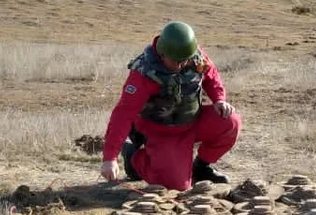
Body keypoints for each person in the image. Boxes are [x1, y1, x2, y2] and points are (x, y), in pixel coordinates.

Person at [100, 21, 241, 191]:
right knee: (176, 186)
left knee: (230, 121)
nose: (180, 65)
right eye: (175, 61)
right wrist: (110, 158)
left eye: (184, 60)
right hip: (161, 132)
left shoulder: (193, 54)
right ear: (162, 53)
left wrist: (219, 99)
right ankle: (134, 158)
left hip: (192, 121)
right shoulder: (144, 72)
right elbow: (123, 114)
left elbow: (211, 75)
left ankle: (201, 167)